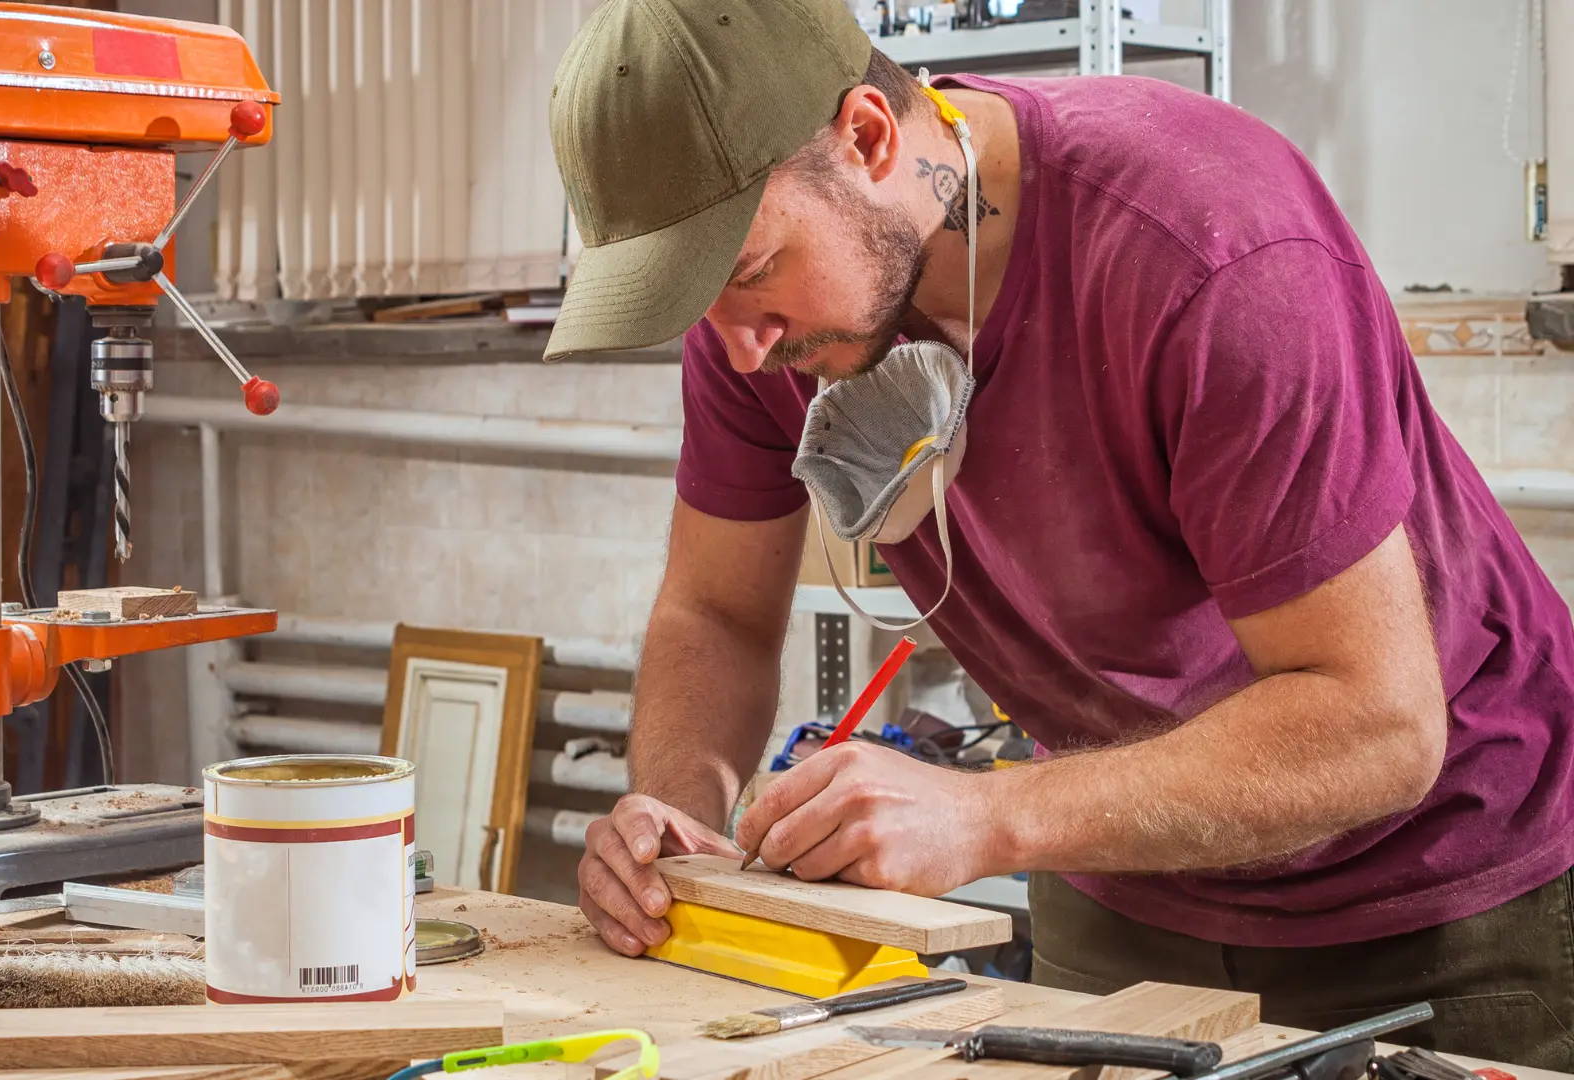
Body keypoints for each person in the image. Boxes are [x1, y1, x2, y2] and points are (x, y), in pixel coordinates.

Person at [542, 0, 1574, 1068]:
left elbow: (1378, 726)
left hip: (1439, 890)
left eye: (752, 272)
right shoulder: (758, 327)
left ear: (867, 137)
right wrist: (671, 816)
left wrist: (989, 817)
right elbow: (714, 610)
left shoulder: (1212, 250)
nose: (744, 351)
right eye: (698, 299)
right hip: (1120, 881)